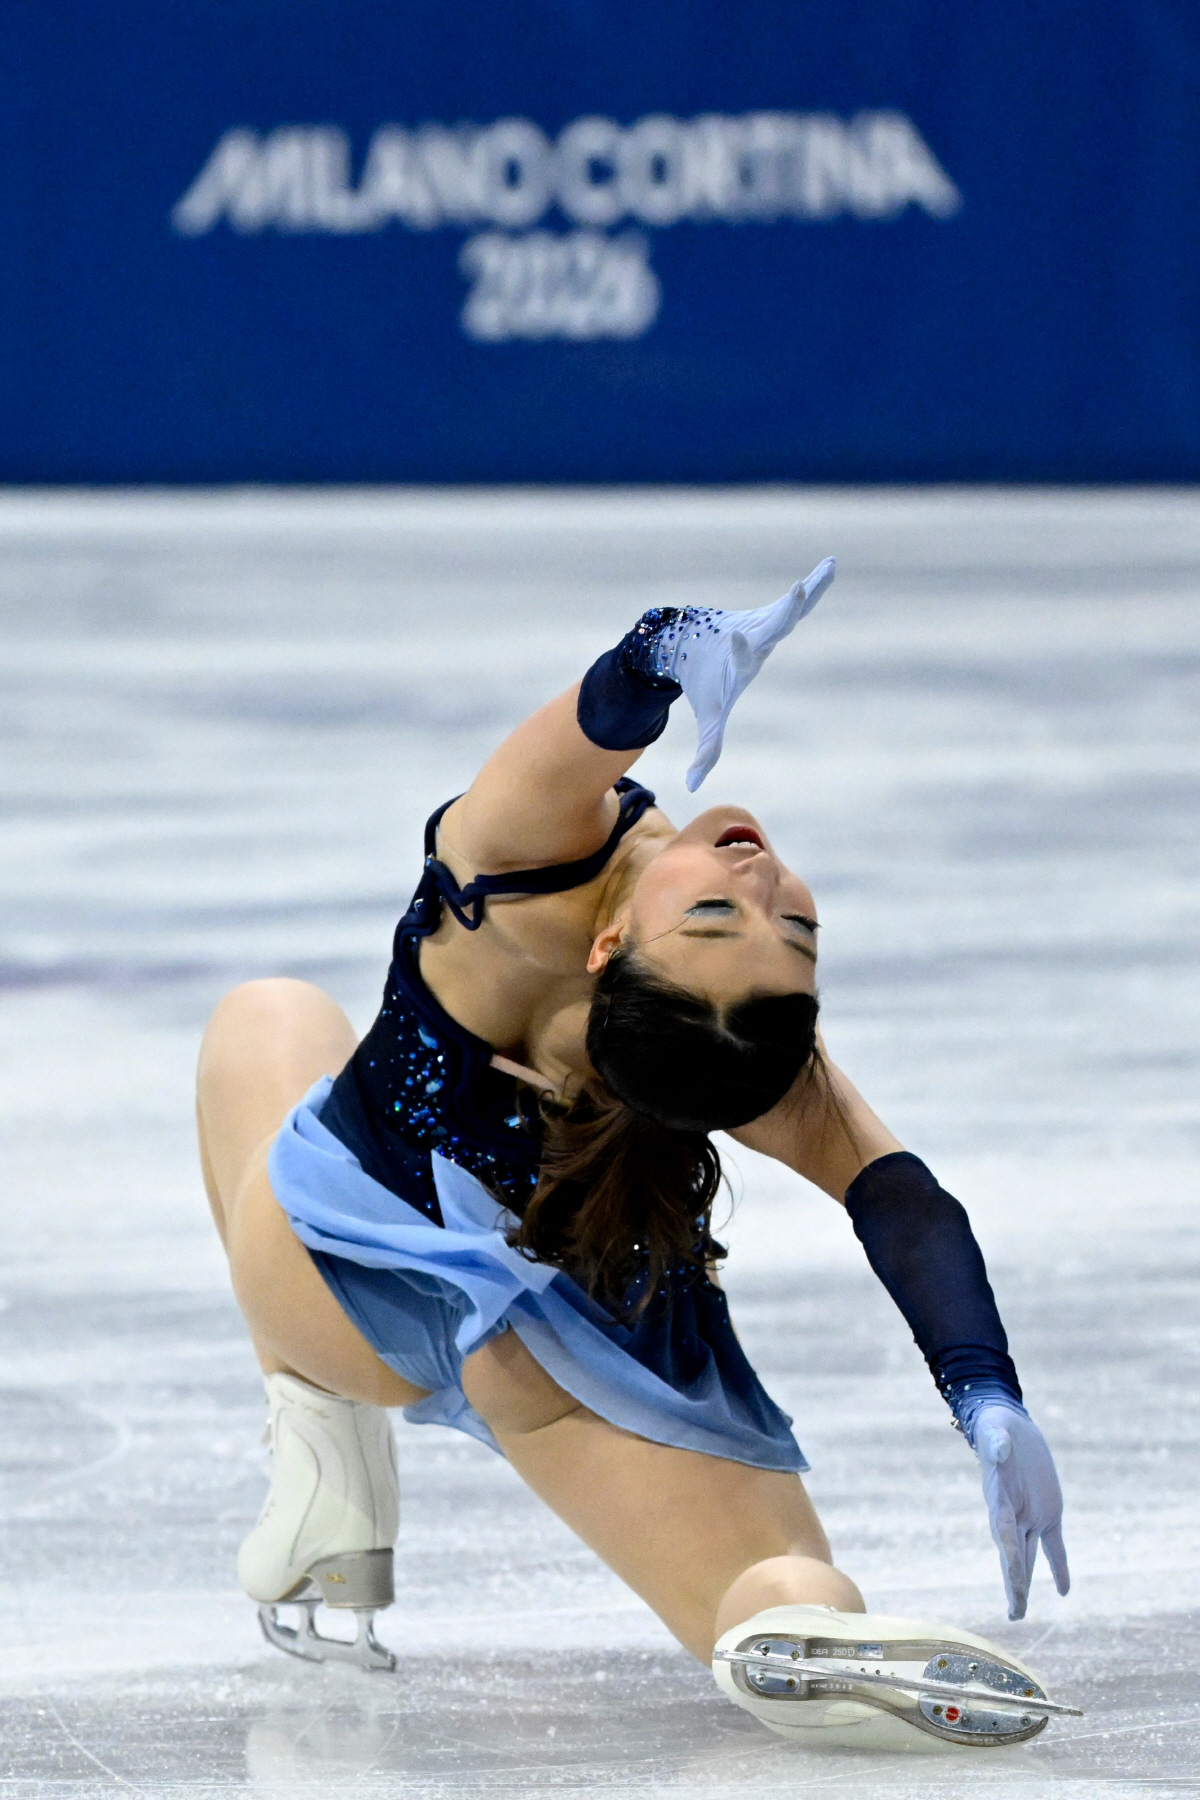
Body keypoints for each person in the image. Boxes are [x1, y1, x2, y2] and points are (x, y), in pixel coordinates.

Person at [196, 560, 1076, 1752]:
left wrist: (677, 644)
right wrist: (983, 1393)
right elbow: (897, 1196)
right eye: (768, 919)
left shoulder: (517, 878)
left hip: (332, 1280)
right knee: (765, 1583)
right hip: (576, 1343)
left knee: (267, 1019)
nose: (760, 881)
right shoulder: (723, 1038)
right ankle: (795, 1619)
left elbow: (602, 710)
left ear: (613, 943)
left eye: (755, 921)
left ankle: (325, 1457)